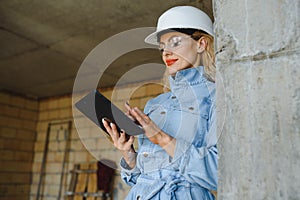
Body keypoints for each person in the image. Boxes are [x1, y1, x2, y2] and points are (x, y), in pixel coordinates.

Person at [102, 5, 217, 200]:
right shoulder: (155, 104)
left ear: (201, 44)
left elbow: (217, 173)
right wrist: (129, 154)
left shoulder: (217, 97)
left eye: (175, 43)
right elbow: (140, 177)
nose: (166, 53)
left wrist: (162, 139)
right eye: (162, 47)